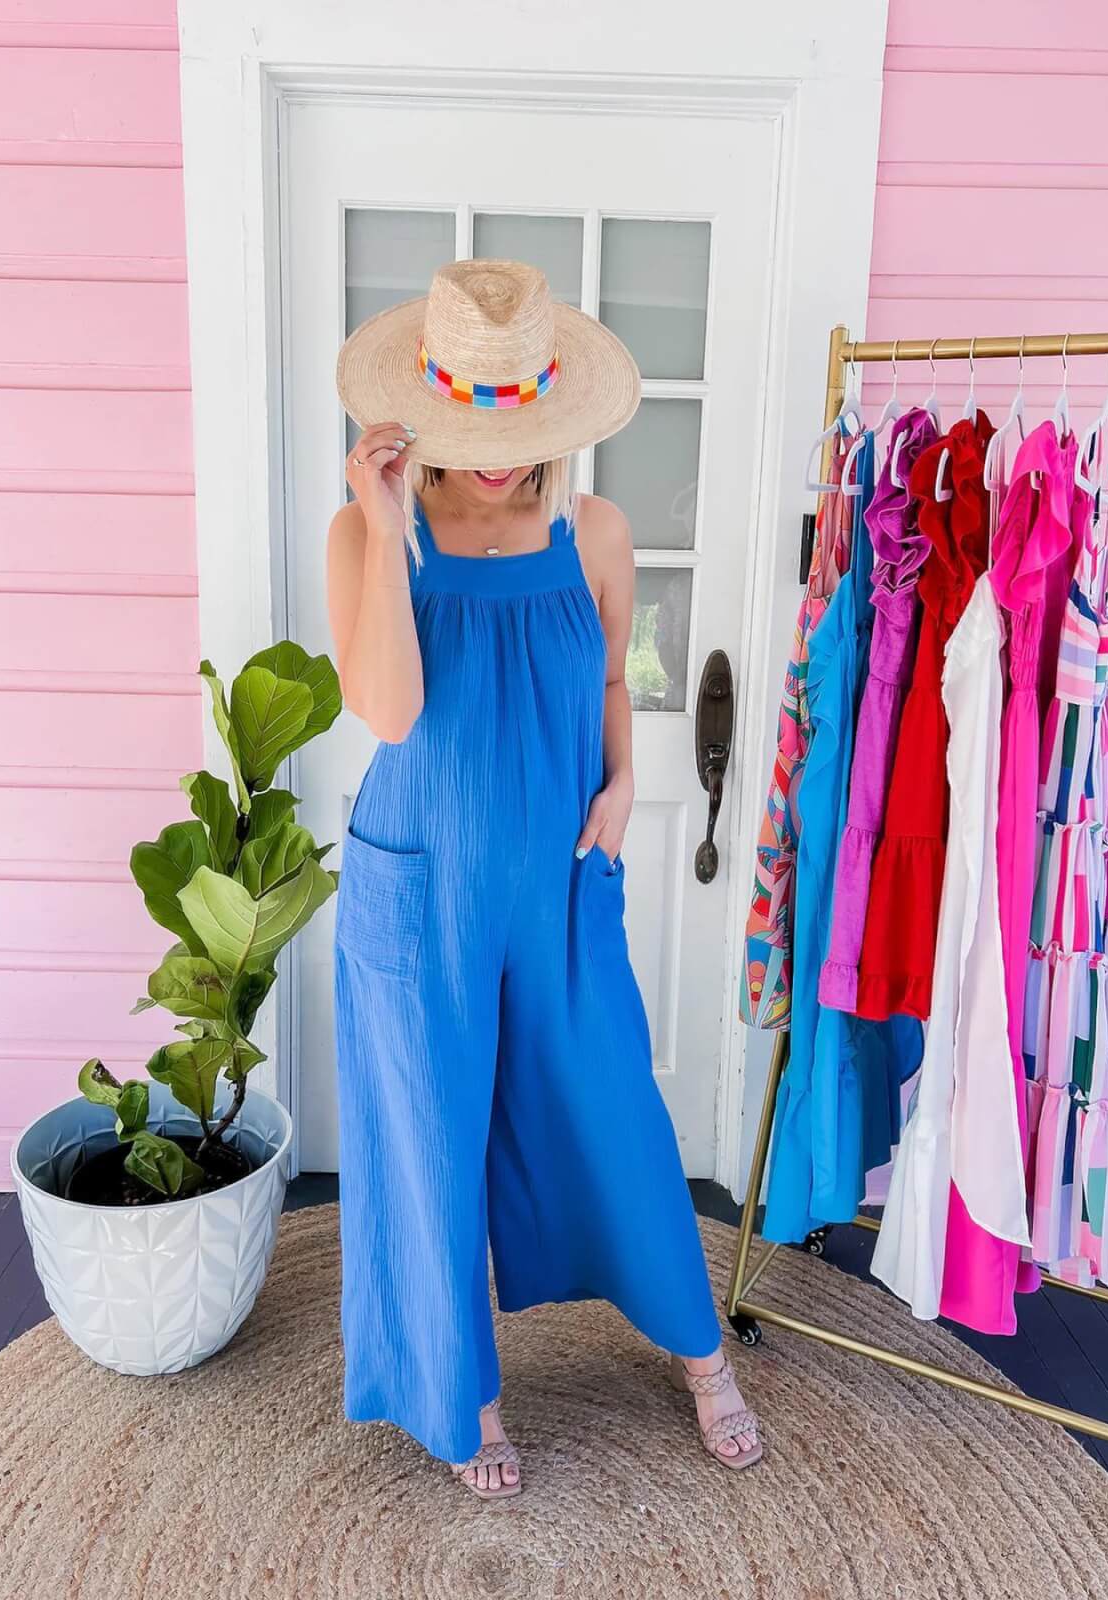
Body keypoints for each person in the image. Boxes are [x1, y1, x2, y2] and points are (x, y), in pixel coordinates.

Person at [326, 259, 762, 1500]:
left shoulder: (595, 532)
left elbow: (612, 681)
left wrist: (623, 789)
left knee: (613, 1109)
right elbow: (393, 713)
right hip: (421, 883)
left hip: (562, 873)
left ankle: (698, 1355)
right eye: (475, 430)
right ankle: (467, 1393)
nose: (501, 458)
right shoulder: (365, 536)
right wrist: (380, 515)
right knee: (431, 1132)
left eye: (520, 427)